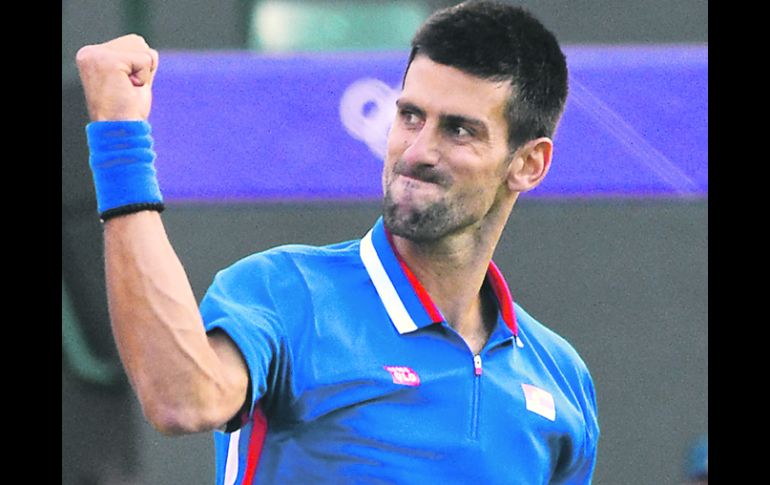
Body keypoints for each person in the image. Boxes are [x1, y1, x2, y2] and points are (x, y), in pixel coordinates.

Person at [75, 1, 599, 483]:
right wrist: (120, 142)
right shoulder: (285, 293)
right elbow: (182, 400)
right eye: (410, 115)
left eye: (459, 131)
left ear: (529, 164)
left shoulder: (563, 380)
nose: (417, 151)